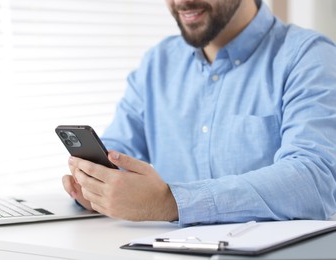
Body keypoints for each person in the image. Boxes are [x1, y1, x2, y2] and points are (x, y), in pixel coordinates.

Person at [62, 0, 336, 226]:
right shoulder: (158, 63)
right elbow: (120, 150)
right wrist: (98, 187)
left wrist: (171, 202)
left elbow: (315, 180)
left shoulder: (309, 58)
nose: (180, 3)